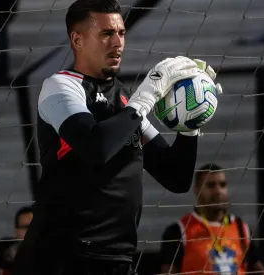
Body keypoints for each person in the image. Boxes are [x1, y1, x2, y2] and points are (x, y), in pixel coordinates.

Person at [11, 0, 221, 274]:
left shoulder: (125, 101)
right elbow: (95, 148)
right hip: (61, 257)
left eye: (121, 33)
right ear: (77, 39)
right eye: (106, 34)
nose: (118, 43)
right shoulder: (61, 86)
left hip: (118, 258)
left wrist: (190, 122)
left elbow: (176, 177)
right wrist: (149, 93)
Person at [159, 163, 264, 275]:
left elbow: (260, 270)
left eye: (222, 185)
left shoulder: (242, 228)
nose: (218, 191)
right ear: (196, 190)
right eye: (211, 185)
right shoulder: (179, 231)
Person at [0, 206, 33, 275]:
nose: (30, 231)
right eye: (25, 227)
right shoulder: (5, 257)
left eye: (33, 227)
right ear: (16, 231)